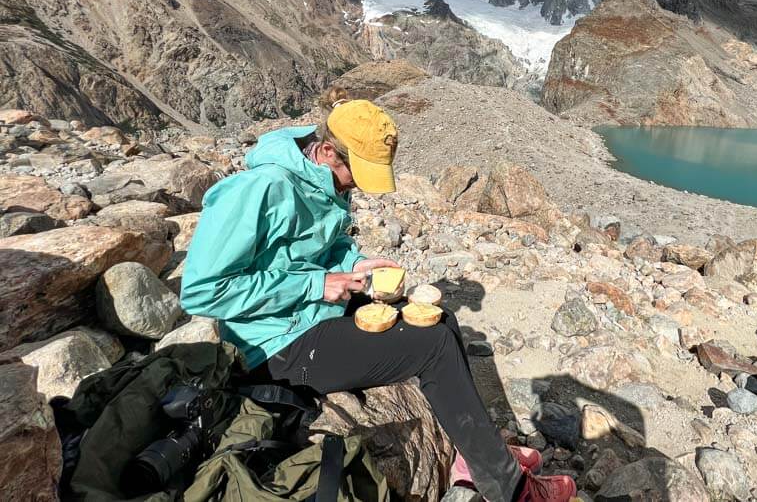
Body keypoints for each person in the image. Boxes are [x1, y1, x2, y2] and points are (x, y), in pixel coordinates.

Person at [180, 88, 576, 502]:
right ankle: (511, 491)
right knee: (435, 347)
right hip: (275, 344)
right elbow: (202, 291)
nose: (359, 187)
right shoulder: (260, 189)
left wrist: (353, 265)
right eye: (357, 172)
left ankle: (478, 453)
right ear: (328, 152)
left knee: (438, 318)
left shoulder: (322, 179)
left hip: (313, 311)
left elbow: (322, 246)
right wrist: (316, 284)